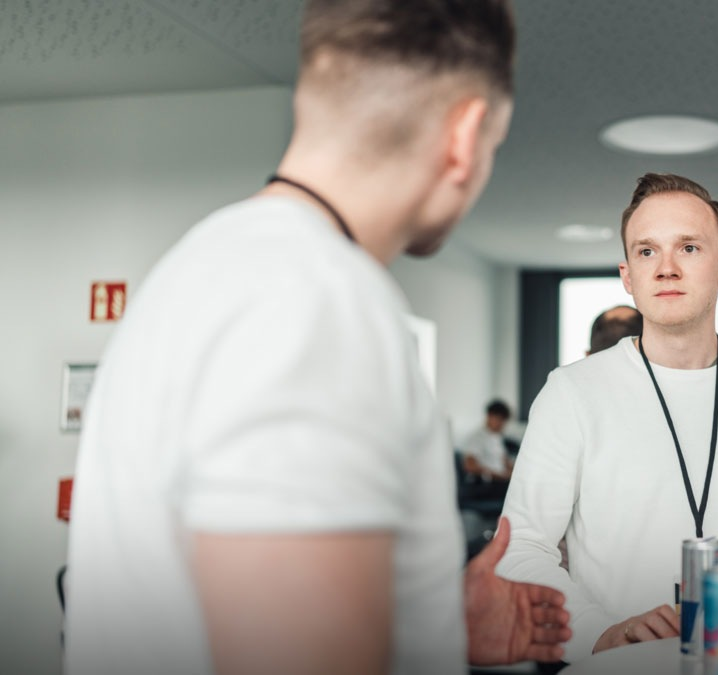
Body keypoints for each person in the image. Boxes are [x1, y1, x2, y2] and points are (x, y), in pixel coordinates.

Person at [63, 2, 571, 673]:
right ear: (465, 135)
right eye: (494, 148)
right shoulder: (315, 303)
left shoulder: (207, 262)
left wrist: (432, 622)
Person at [497, 173, 718, 661]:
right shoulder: (571, 392)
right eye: (647, 251)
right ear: (628, 277)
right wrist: (599, 634)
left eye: (688, 248)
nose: (666, 268)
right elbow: (520, 547)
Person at [462, 399, 516, 483]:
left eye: (503, 421)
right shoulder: (477, 438)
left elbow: (504, 461)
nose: (501, 424)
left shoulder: (497, 438)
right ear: (489, 416)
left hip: (502, 480)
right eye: (499, 419)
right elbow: (470, 466)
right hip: (487, 483)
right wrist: (500, 476)